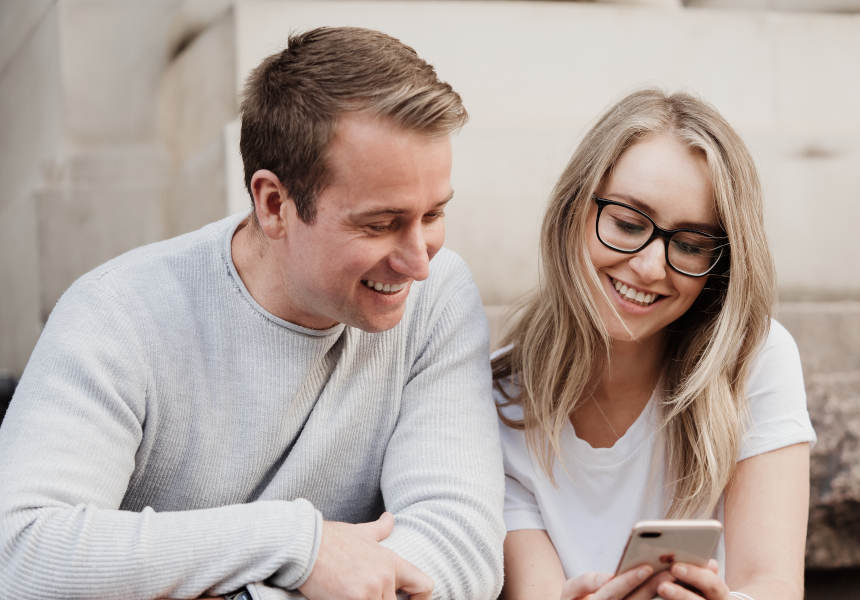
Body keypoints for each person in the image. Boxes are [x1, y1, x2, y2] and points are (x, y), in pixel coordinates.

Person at [0, 27, 504, 600]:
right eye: (380, 223)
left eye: (434, 215)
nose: (418, 262)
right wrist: (295, 542)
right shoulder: (117, 316)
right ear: (274, 205)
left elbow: (460, 551)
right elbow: (21, 553)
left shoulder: (438, 297)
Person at [493, 89, 816, 600]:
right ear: (573, 210)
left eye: (689, 245)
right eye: (625, 223)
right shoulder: (499, 400)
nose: (649, 267)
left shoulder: (755, 361)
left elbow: (773, 585)